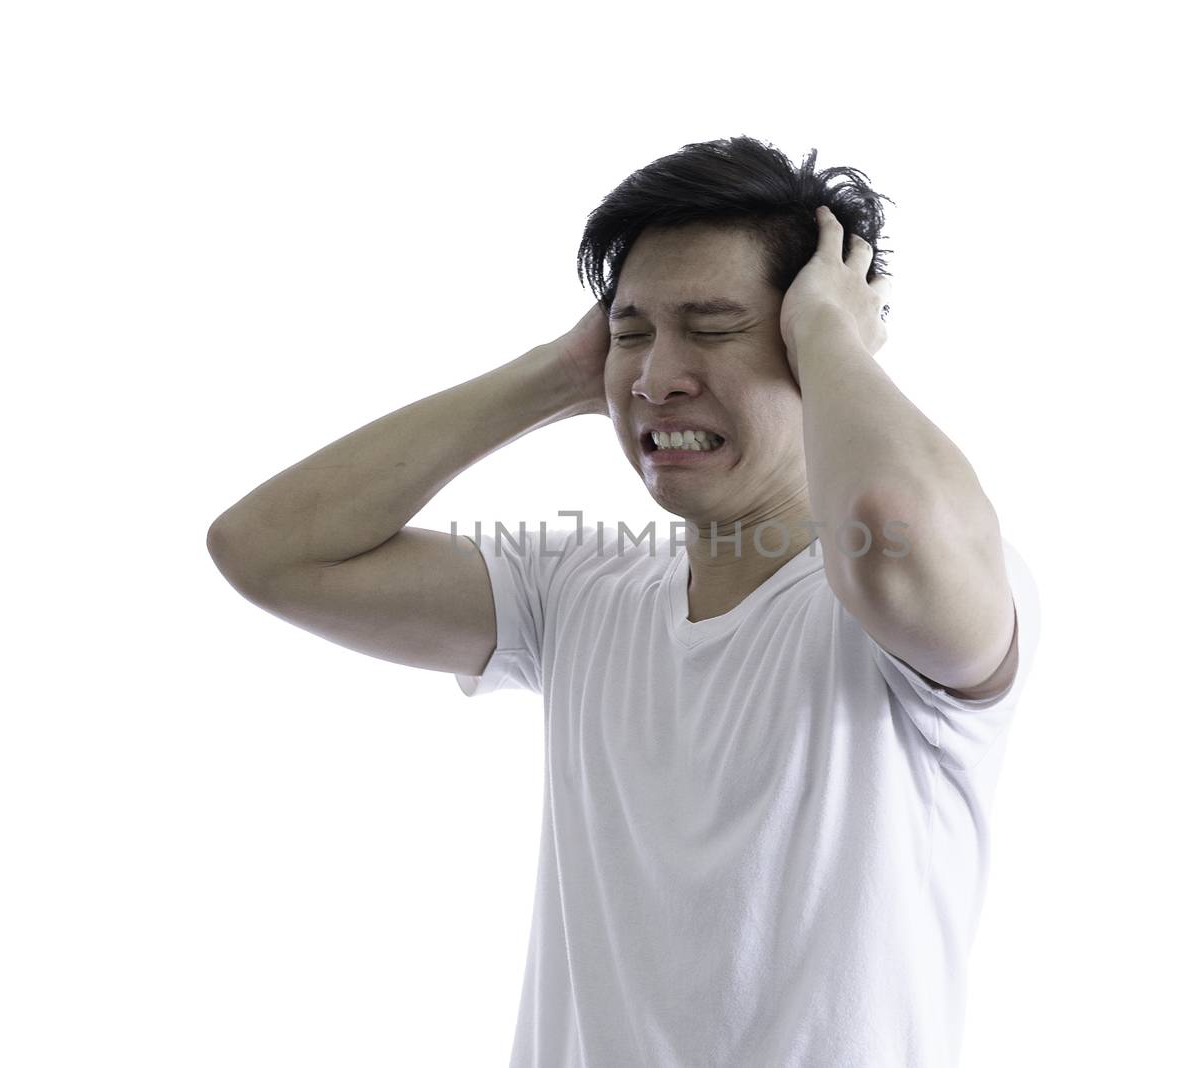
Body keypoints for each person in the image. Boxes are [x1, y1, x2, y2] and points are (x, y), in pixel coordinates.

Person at [207, 135, 1041, 1067]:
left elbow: (891, 524)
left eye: (715, 327)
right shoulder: (575, 591)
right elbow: (267, 551)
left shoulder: (911, 601)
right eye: (632, 332)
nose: (654, 378)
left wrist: (834, 333)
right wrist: (563, 374)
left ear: (813, 342)